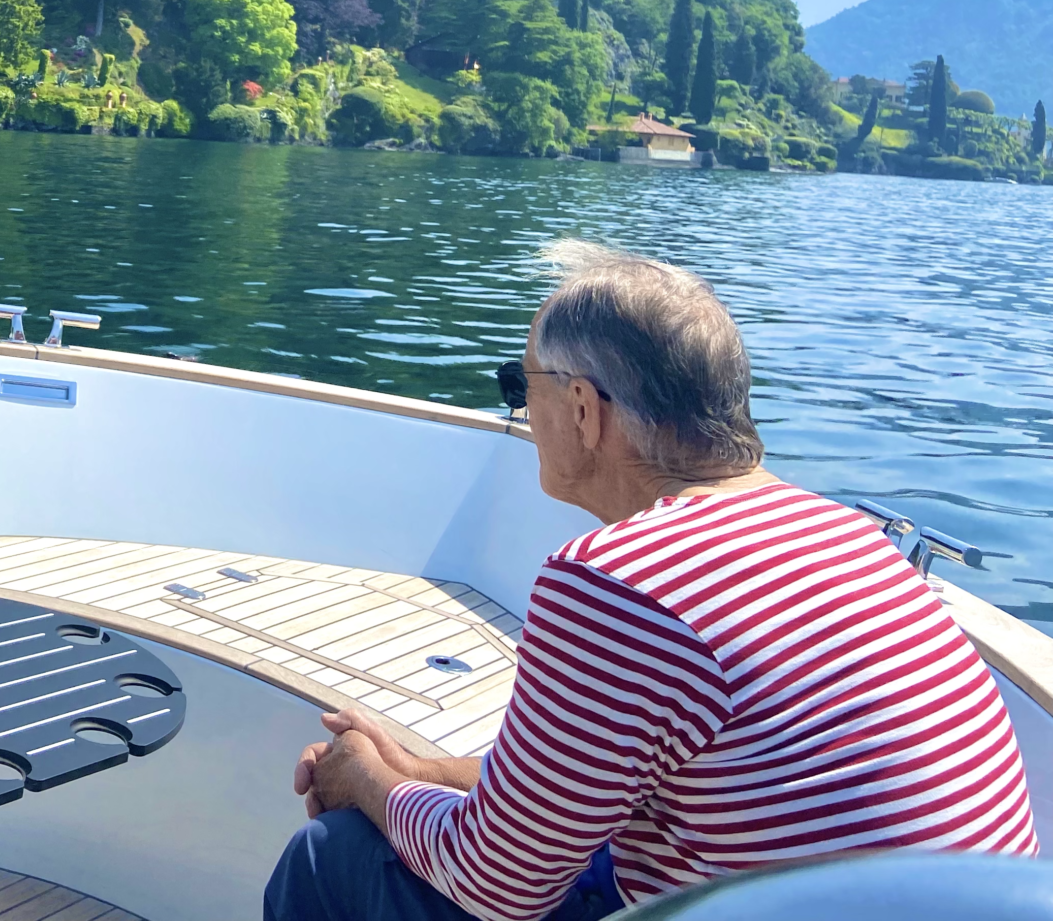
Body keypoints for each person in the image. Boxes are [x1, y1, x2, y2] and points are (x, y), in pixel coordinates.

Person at [267, 239, 1037, 921]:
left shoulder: (620, 583)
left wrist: (368, 783)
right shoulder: (838, 534)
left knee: (328, 856)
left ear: (580, 409)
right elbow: (613, 787)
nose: (518, 410)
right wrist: (419, 772)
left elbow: (499, 886)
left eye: (518, 385)